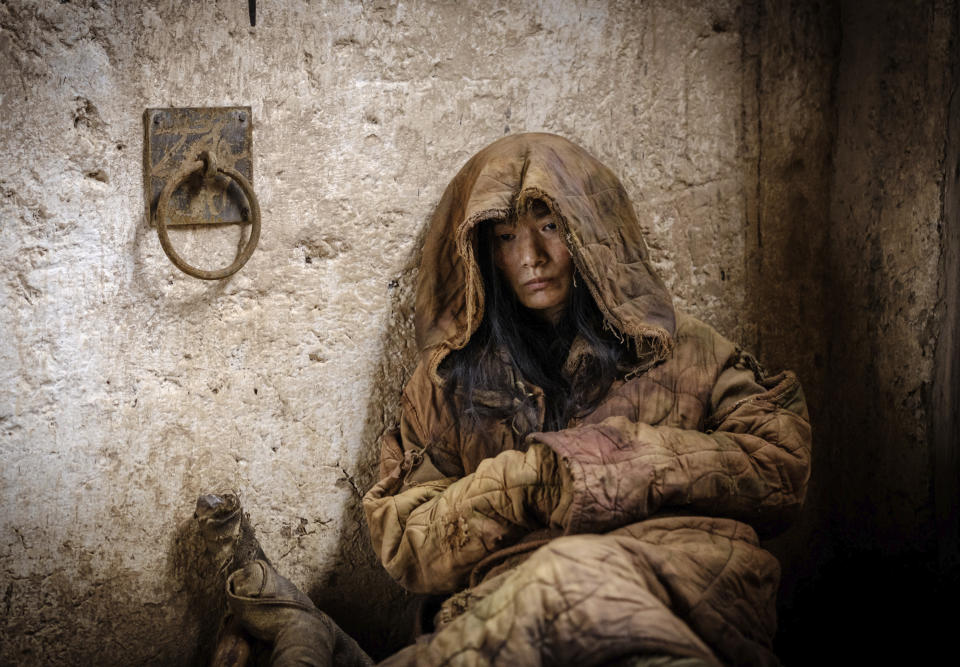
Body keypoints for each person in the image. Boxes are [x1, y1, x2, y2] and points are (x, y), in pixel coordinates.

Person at [225, 133, 811, 667]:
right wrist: (530, 483)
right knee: (547, 589)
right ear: (483, 254)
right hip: (508, 607)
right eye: (506, 237)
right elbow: (407, 540)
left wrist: (603, 465)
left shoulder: (680, 348)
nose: (530, 256)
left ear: (592, 232)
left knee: (573, 581)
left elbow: (779, 464)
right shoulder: (450, 379)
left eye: (549, 227)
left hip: (685, 588)